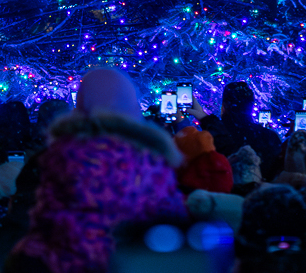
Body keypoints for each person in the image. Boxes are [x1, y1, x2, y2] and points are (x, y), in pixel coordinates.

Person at [10, 67, 187, 273]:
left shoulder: (50, 161)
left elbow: (23, 226)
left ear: (79, 108)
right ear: (133, 109)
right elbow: (174, 239)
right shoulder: (155, 167)